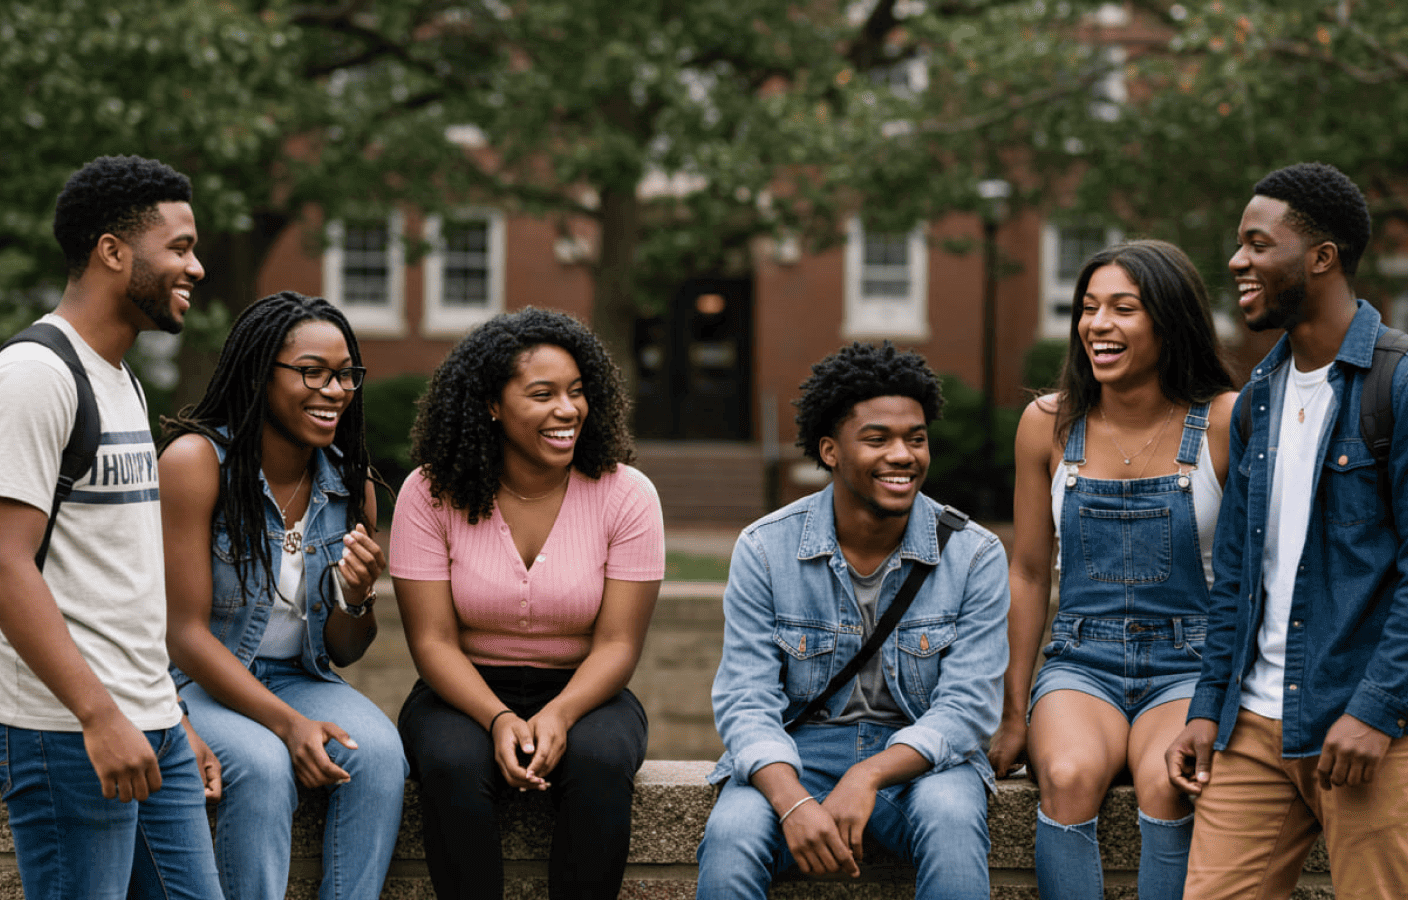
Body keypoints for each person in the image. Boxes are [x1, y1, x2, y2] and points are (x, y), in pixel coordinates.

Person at [1166, 162, 1408, 898]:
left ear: (1321, 258)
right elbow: (1236, 572)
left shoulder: (1395, 384)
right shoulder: (1256, 402)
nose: (1237, 261)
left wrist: (1377, 709)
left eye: (1257, 244)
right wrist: (1208, 706)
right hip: (1252, 733)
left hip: (1372, 734)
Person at [696, 342, 1009, 900]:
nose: (903, 455)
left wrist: (867, 775)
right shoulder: (766, 549)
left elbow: (967, 710)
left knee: (953, 820)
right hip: (800, 751)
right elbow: (745, 701)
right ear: (830, 451)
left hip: (921, 762)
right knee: (733, 831)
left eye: (916, 438)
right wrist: (793, 800)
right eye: (877, 439)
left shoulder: (975, 555)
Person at [0, 155, 224, 898]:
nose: (196, 266)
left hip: (149, 722)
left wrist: (166, 710)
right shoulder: (36, 375)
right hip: (67, 732)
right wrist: (99, 716)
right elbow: (6, 563)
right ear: (113, 251)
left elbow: (118, 579)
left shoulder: (120, 377)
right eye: (181, 247)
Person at [987, 240, 1237, 900]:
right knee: (1067, 775)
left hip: (1190, 661)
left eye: (1123, 308)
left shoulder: (1223, 422)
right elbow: (1031, 573)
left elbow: (1252, 575)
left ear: (1169, 320)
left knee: (1166, 780)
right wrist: (1015, 709)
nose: (1099, 324)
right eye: (1089, 307)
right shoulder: (1047, 424)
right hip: (1080, 661)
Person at [391, 307, 664, 900]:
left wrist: (560, 715)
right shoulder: (429, 492)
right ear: (492, 404)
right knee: (452, 765)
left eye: (576, 392)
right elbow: (432, 641)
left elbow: (619, 643)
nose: (567, 410)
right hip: (460, 690)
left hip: (587, 691)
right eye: (543, 394)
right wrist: (497, 718)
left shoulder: (627, 495)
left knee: (598, 762)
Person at [158, 290, 407, 900]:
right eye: (312, 373)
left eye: (346, 375)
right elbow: (183, 634)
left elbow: (344, 652)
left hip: (299, 676)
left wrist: (357, 598)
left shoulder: (353, 486)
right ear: (259, 373)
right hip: (198, 680)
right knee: (263, 766)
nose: (335, 390)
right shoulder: (197, 464)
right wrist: (289, 725)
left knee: (377, 754)